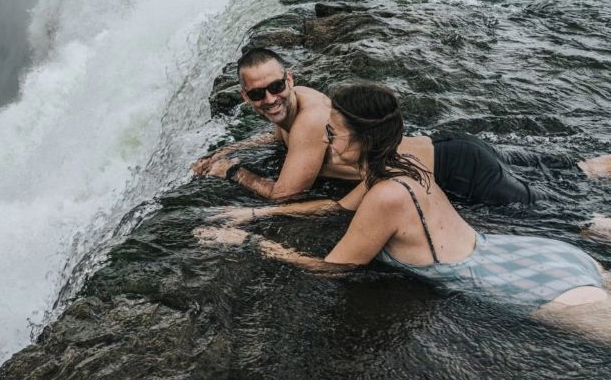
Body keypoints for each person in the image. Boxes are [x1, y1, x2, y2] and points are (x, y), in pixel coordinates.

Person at [196, 82, 611, 344]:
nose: (326, 138)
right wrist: (253, 215)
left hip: (524, 285)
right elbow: (337, 206)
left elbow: (330, 268)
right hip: (540, 255)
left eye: (333, 132)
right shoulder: (402, 164)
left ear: (359, 139)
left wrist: (249, 243)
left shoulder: (385, 195)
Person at [192, 47, 611, 207]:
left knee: (566, 213)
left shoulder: (313, 118)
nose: (269, 100)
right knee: (578, 170)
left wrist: (232, 172)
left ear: (290, 79)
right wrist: (236, 147)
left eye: (275, 88)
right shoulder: (292, 106)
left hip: (455, 170)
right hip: (455, 148)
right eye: (257, 95)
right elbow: (280, 135)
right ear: (245, 97)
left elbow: (285, 195)